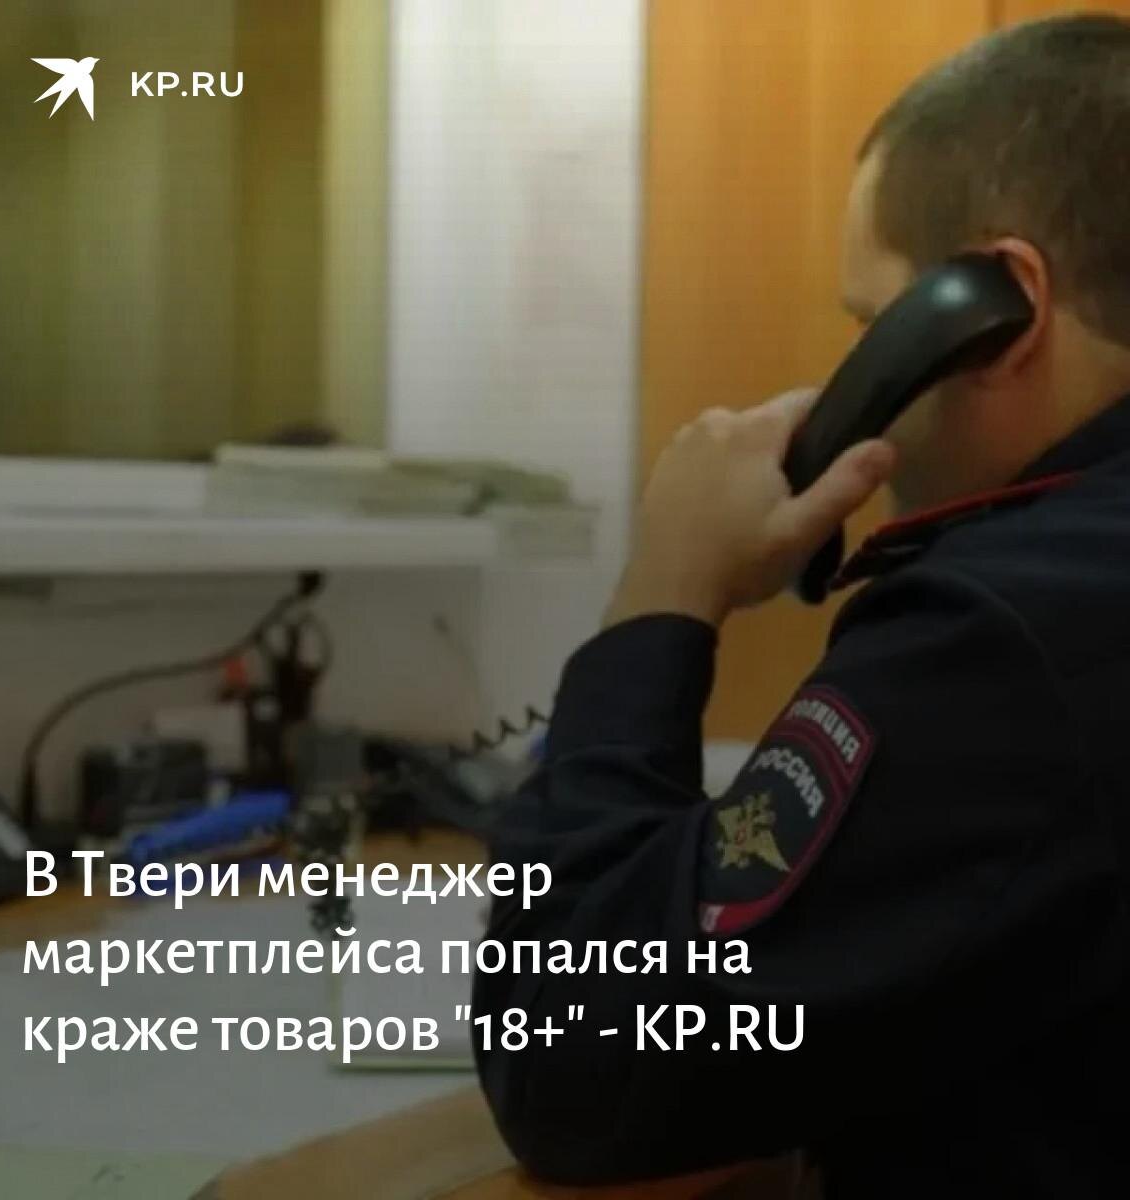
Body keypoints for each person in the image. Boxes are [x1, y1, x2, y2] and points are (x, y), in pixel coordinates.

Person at [473, 14, 1130, 1199]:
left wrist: (665, 594)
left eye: (868, 326)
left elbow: (573, 1066)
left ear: (996, 312)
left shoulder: (1008, 637)